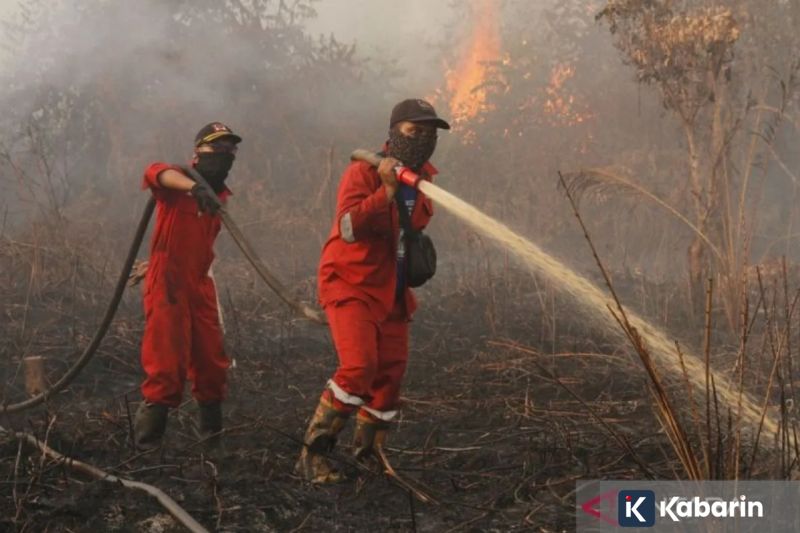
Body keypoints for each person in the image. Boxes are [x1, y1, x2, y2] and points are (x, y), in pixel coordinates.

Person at [295, 99, 450, 483]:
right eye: (415, 131)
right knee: (360, 367)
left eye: (430, 134)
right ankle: (312, 457)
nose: (423, 140)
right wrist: (385, 190)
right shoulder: (362, 172)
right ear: (394, 131)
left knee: (390, 376)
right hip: (351, 283)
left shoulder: (425, 180)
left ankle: (368, 456)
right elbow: (348, 228)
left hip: (391, 289)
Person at [133, 122, 242, 450]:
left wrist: (209, 194)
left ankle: (212, 445)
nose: (223, 155)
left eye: (229, 150)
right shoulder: (177, 181)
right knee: (166, 365)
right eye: (215, 148)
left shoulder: (221, 196)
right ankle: (147, 449)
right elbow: (155, 172)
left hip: (200, 284)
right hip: (168, 284)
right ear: (197, 153)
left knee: (211, 364)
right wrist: (194, 189)